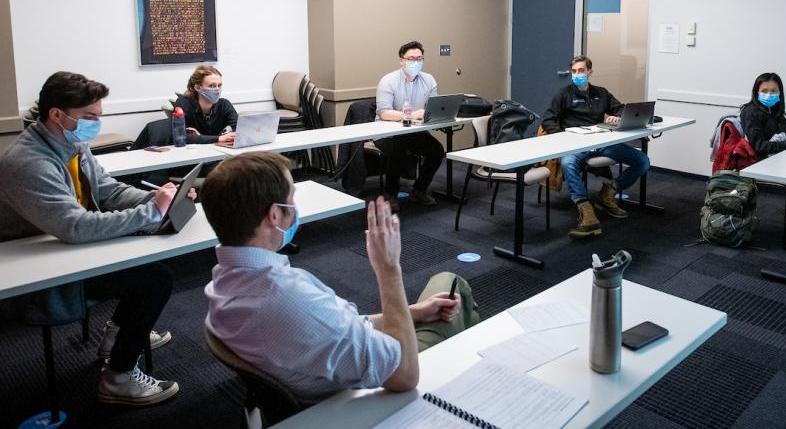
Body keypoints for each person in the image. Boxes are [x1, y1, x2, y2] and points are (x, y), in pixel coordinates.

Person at [201, 152, 480, 402]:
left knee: (439, 302)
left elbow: (338, 327)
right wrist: (389, 269)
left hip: (324, 371)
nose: (295, 207)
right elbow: (405, 374)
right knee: (453, 283)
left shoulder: (223, 282)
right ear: (275, 215)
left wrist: (415, 312)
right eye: (291, 199)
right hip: (374, 389)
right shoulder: (289, 297)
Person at [0, 72, 180, 406]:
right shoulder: (26, 162)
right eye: (89, 117)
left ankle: (119, 336)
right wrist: (150, 214)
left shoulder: (71, 142)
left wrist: (155, 199)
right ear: (57, 115)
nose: (96, 124)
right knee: (154, 279)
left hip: (66, 249)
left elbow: (107, 190)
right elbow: (75, 227)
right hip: (41, 271)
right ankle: (118, 378)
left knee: (150, 263)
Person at [541, 55, 650, 239]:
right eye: (574, 71)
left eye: (581, 71)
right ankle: (586, 210)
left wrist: (617, 116)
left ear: (589, 72)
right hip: (575, 143)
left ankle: (608, 194)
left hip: (601, 142)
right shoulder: (563, 94)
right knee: (568, 163)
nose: (577, 75)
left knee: (642, 161)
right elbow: (548, 119)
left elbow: (621, 108)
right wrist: (562, 137)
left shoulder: (601, 93)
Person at [374, 41, 445, 211]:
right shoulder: (388, 81)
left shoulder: (429, 80)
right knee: (398, 148)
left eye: (419, 58)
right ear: (402, 61)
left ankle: (419, 190)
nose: (416, 62)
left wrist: (431, 115)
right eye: (411, 58)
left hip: (413, 131)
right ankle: (390, 195)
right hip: (386, 133)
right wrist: (410, 115)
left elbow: (431, 108)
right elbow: (384, 113)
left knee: (437, 150)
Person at [740, 72, 786, 159]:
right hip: (761, 163)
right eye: (764, 91)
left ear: (780, 93)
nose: (769, 94)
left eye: (773, 91)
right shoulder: (750, 112)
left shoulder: (774, 111)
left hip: (779, 158)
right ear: (756, 92)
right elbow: (760, 146)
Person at [173, 65, 238, 147]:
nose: (217, 90)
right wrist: (218, 138)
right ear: (197, 87)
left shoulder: (224, 104)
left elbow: (240, 130)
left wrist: (200, 137)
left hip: (218, 151)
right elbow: (182, 137)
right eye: (212, 86)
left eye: (219, 85)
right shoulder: (183, 103)